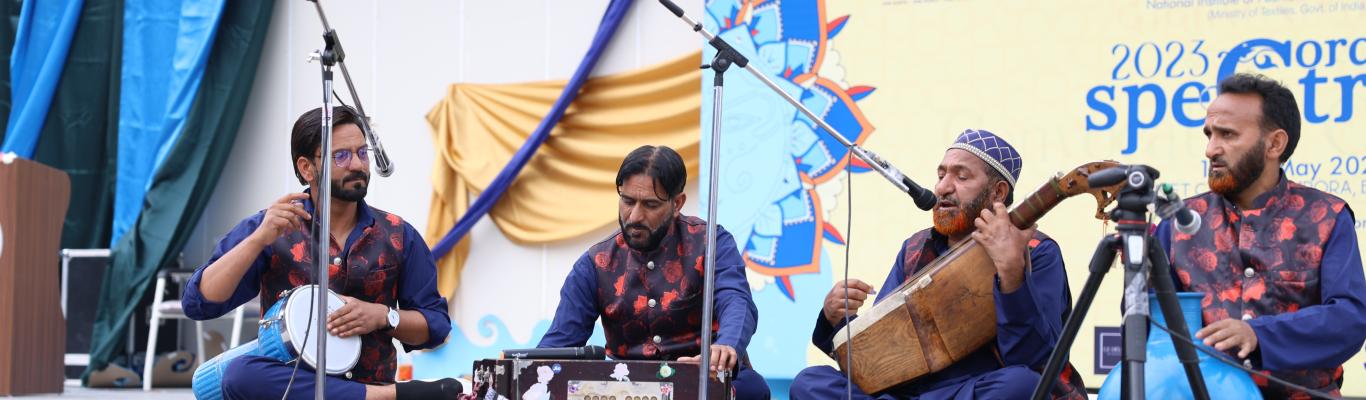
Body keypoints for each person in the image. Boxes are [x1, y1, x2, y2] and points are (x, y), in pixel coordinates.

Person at [183, 106, 458, 399]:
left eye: (362, 152)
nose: (357, 164)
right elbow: (199, 303)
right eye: (341, 156)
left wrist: (383, 316)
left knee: (240, 375)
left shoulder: (399, 234)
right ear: (306, 168)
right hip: (295, 388)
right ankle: (389, 396)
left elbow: (436, 326)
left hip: (369, 377)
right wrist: (258, 239)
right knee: (241, 374)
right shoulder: (271, 227)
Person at [790, 129, 1086, 399]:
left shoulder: (1037, 252)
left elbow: (1033, 359)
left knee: (1022, 385)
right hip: (911, 393)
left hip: (973, 392)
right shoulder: (916, 248)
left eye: (961, 177)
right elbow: (880, 350)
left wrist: (1010, 271)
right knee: (810, 382)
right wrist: (836, 320)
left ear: (997, 193)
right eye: (941, 175)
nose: (943, 187)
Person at [1156, 73, 1366, 398]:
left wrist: (1259, 335)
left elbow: (1349, 318)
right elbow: (1151, 327)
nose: (1211, 149)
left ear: (1274, 144)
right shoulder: (1179, 223)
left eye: (1227, 134)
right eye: (1209, 134)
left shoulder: (1327, 216)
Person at [538, 145, 770, 399]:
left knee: (751, 390)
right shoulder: (595, 263)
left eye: (650, 204)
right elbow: (558, 346)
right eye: (628, 201)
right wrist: (524, 370)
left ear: (677, 203)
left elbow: (736, 299)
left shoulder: (712, 243)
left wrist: (725, 346)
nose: (635, 216)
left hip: (703, 378)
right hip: (626, 387)